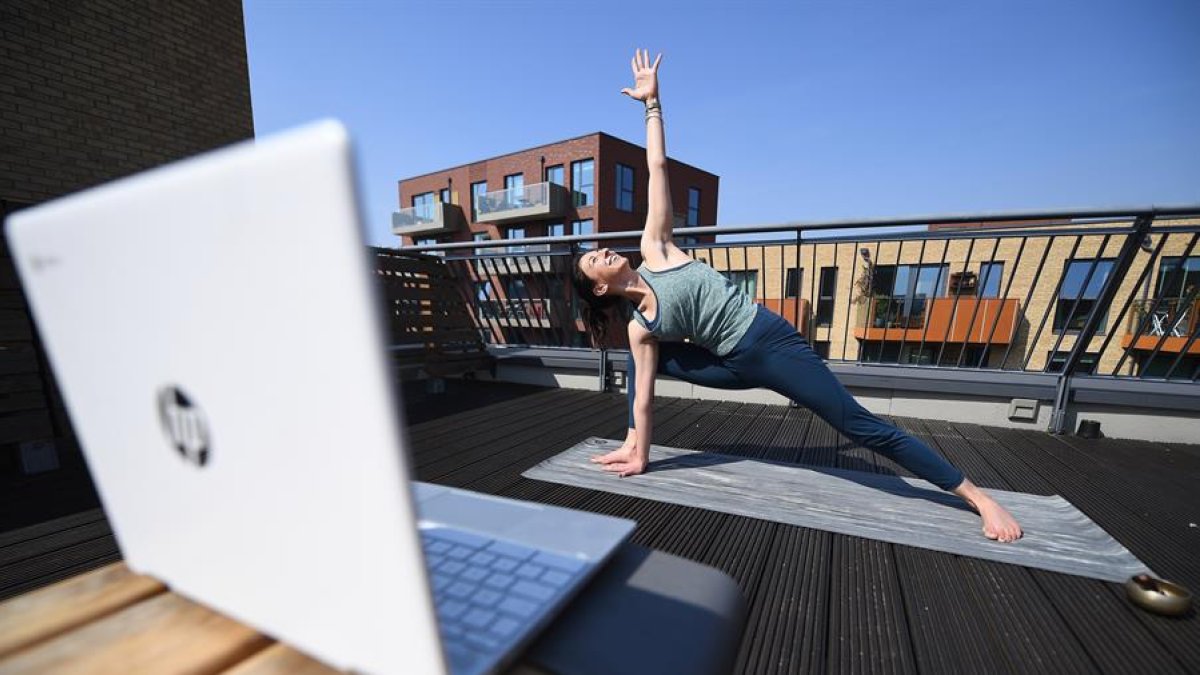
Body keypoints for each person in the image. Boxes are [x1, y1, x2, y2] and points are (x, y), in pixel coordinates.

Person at [571, 49, 1023, 542]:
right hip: (730, 363)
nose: (604, 251)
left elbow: (656, 168)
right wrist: (642, 444)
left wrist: (652, 104)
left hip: (770, 343)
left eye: (599, 249)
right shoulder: (641, 327)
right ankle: (633, 448)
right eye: (596, 260)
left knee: (857, 424)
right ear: (600, 287)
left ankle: (977, 497)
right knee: (640, 359)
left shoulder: (655, 250)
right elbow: (644, 399)